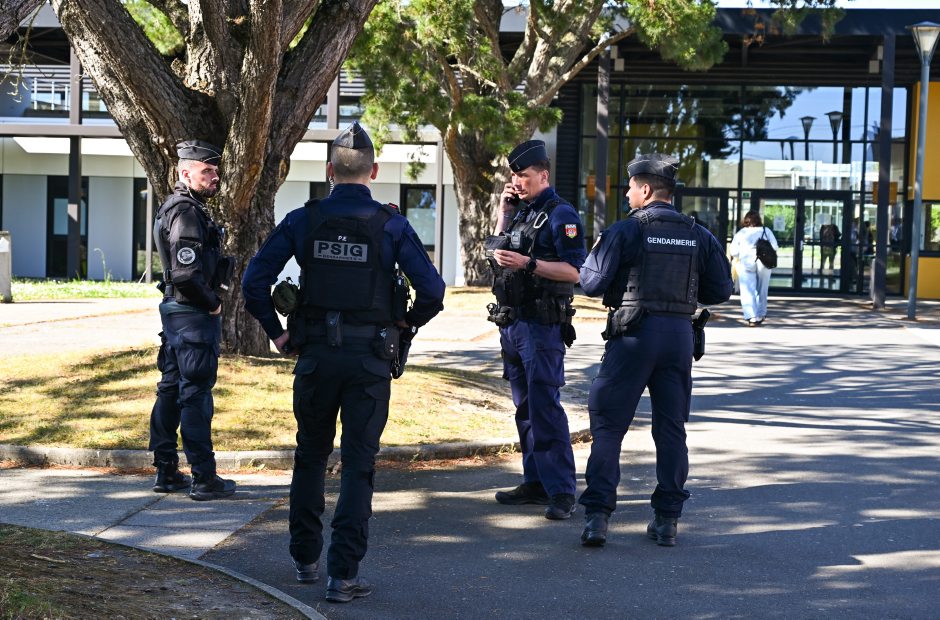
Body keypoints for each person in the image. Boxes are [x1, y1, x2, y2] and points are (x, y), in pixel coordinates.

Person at [241, 122, 445, 603]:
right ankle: (343, 575)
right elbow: (433, 292)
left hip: (314, 357)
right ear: (373, 172)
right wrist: (405, 324)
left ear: (330, 171)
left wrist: (276, 332)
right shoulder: (391, 225)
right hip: (369, 362)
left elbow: (254, 282)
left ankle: (304, 560)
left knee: (310, 455)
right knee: (358, 464)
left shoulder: (304, 219)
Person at [576, 154, 732, 548]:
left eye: (630, 187)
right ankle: (667, 521)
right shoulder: (698, 234)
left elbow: (590, 283)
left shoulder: (627, 230)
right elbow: (721, 290)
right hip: (678, 337)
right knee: (671, 428)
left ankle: (597, 518)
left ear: (645, 190)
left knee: (609, 426)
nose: (627, 194)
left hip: (633, 335)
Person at [488, 139, 586, 521]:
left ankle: (562, 491)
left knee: (545, 408)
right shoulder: (521, 212)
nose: (518, 181)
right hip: (513, 322)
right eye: (514, 176)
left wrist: (529, 264)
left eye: (524, 175)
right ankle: (536, 482)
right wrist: (503, 213)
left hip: (542, 326)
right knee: (525, 410)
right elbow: (496, 252)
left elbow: (575, 271)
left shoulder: (561, 214)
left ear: (543, 175)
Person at [149, 139, 237, 501]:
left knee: (171, 389)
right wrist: (213, 304)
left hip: (176, 313)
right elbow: (186, 273)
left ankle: (166, 471)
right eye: (207, 171)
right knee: (195, 394)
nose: (215, 176)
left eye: (216, 170)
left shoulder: (176, 207)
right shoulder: (186, 212)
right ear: (186, 173)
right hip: (192, 315)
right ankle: (204, 478)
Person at [729, 211, 778, 326]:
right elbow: (775, 246)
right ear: (759, 220)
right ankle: (761, 314)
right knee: (762, 289)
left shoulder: (741, 233)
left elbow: (733, 251)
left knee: (747, 290)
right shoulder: (766, 231)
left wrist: (743, 253)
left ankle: (752, 317)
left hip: (746, 262)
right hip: (764, 262)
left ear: (746, 220)